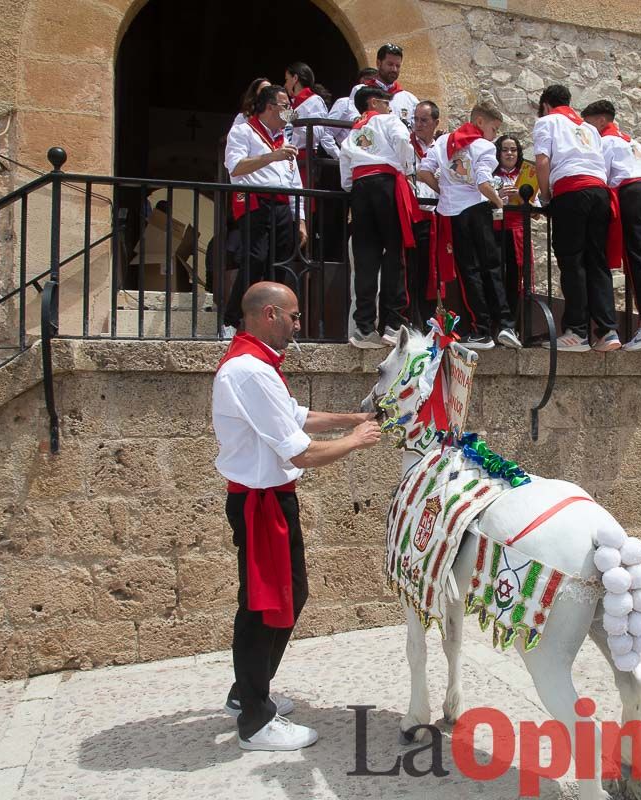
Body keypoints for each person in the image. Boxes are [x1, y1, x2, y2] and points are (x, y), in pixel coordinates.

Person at [214, 281, 381, 751]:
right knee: (262, 607)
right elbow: (300, 452)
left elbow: (295, 415)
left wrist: (350, 419)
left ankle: (247, 692)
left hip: (269, 498)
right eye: (293, 315)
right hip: (260, 501)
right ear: (269, 314)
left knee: (284, 597)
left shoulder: (256, 364)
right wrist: (356, 442)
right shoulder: (249, 370)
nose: (298, 323)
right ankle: (255, 720)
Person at [418, 102, 520, 349]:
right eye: (494, 129)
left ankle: (480, 329)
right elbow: (484, 183)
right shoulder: (484, 146)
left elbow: (423, 171)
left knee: (469, 272)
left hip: (452, 212)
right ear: (480, 123)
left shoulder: (443, 142)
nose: (494, 135)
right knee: (492, 268)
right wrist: (499, 203)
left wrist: (444, 191)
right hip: (477, 209)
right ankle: (505, 325)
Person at [582, 100, 641, 353]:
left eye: (589, 123)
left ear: (601, 121)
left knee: (637, 259)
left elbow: (599, 175)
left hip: (632, 192)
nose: (587, 128)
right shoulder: (631, 142)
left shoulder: (605, 142)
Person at [532, 85, 619, 352]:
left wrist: (545, 197)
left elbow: (543, 162)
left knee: (572, 261)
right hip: (599, 191)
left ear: (546, 105)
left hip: (571, 191)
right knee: (597, 261)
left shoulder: (546, 121)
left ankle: (577, 331)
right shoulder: (590, 128)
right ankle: (607, 331)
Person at [222, 85, 307, 333]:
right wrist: (272, 156)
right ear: (270, 107)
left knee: (280, 264)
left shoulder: (284, 139)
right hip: (256, 202)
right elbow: (235, 167)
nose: (289, 111)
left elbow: (295, 182)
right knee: (254, 260)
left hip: (282, 206)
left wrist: (300, 219)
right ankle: (231, 320)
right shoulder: (243, 131)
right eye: (285, 106)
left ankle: (274, 327)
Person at [339, 85, 419, 348]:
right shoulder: (388, 120)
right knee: (395, 253)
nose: (390, 106)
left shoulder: (354, 130)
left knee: (366, 258)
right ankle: (394, 324)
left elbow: (345, 164)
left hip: (360, 188)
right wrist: (405, 168)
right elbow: (403, 142)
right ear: (374, 102)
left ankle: (364, 326)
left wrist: (351, 185)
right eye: (386, 101)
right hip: (386, 184)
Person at [493, 134, 541, 326]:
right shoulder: (490, 174)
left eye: (513, 150)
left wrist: (522, 199)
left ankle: (514, 326)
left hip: (518, 234)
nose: (509, 153)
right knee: (496, 278)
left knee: (516, 280)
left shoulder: (527, 176)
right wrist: (497, 196)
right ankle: (495, 325)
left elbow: (536, 214)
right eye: (505, 149)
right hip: (495, 232)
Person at [408, 100, 443, 325]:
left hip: (434, 217)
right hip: (411, 213)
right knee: (410, 271)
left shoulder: (442, 149)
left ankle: (429, 322)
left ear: (436, 123)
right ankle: (412, 322)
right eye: (416, 120)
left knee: (431, 274)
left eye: (424, 120)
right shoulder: (405, 144)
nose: (418, 125)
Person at [346, 44, 419, 126]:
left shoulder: (410, 99)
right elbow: (353, 116)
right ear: (378, 63)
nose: (394, 69)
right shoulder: (361, 91)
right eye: (390, 64)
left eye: (397, 66)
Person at [284, 62, 330, 187]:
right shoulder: (290, 104)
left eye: (287, 79)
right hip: (287, 156)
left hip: (304, 157)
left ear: (295, 78)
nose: (285, 84)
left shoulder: (314, 100)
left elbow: (317, 133)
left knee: (303, 201)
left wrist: (294, 123)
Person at [324, 68, 378, 159]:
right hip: (348, 157)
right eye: (371, 80)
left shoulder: (376, 106)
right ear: (362, 80)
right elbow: (326, 133)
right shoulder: (344, 103)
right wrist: (338, 156)